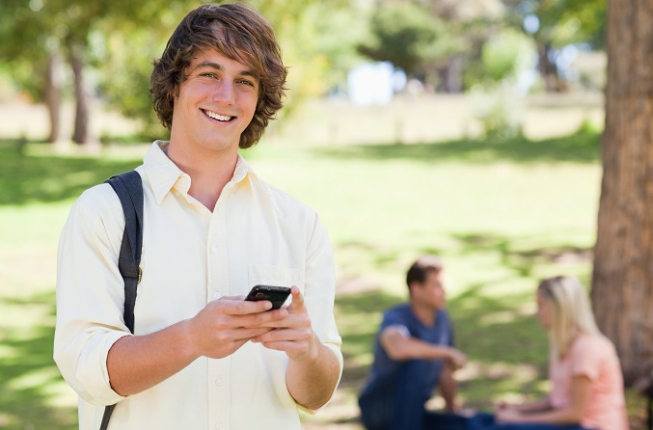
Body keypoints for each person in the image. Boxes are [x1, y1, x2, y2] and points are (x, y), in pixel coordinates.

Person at [53, 3, 342, 430]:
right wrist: (191, 338)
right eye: (210, 74)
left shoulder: (299, 224)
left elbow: (315, 396)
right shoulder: (103, 213)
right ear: (175, 85)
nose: (226, 96)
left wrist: (306, 351)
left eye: (244, 81)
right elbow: (88, 373)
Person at [470, 276, 629, 430]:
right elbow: (557, 400)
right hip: (574, 424)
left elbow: (576, 414)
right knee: (484, 420)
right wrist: (518, 409)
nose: (537, 313)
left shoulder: (587, 348)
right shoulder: (565, 346)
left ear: (559, 309)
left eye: (541, 305)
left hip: (592, 426)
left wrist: (521, 420)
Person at [358, 255, 469, 430]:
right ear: (416, 289)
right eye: (437, 286)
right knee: (416, 362)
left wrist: (452, 410)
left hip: (414, 411)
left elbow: (445, 370)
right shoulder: (396, 317)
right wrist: (446, 352)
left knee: (464, 423)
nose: (445, 291)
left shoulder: (442, 319)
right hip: (380, 409)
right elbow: (398, 348)